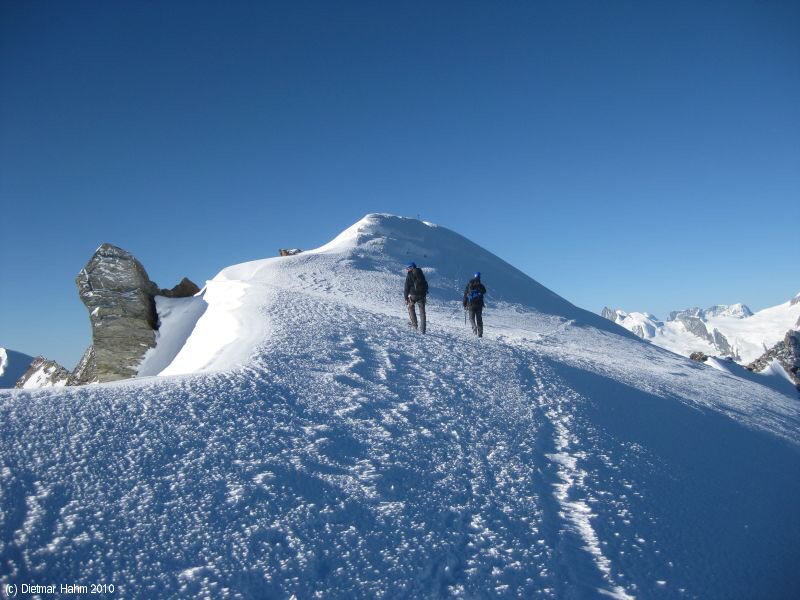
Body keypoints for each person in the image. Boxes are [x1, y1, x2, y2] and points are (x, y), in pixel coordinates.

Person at [404, 262, 428, 334]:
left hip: (413, 295)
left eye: (408, 268)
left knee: (410, 308)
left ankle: (414, 325)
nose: (407, 270)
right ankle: (423, 330)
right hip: (422, 296)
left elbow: (406, 287)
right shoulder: (421, 273)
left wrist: (406, 298)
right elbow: (426, 284)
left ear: (411, 267)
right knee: (422, 313)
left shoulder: (409, 274)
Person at [463, 272, 486, 337]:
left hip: (471, 304)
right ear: (479, 277)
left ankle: (474, 327)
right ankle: (480, 333)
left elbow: (465, 295)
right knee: (479, 319)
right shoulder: (481, 286)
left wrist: (464, 304)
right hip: (479, 305)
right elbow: (484, 291)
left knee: (471, 318)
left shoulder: (469, 285)